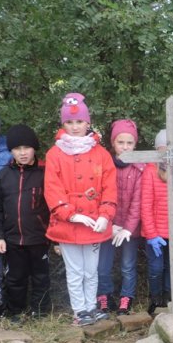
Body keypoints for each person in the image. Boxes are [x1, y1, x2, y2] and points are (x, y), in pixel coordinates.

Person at [44, 93, 117, 326]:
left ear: (88, 122)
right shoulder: (54, 154)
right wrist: (70, 214)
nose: (75, 127)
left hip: (94, 223)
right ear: (63, 124)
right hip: (68, 224)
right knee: (75, 271)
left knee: (91, 271)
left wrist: (106, 215)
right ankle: (79, 310)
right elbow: (52, 189)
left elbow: (109, 187)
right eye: (69, 122)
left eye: (79, 121)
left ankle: (91, 306)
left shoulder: (101, 154)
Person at [0, 124, 51, 321]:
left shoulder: (45, 173)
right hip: (13, 238)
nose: (22, 153)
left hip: (40, 237)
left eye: (27, 148)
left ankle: (40, 311)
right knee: (15, 277)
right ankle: (15, 311)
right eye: (17, 148)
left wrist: (55, 237)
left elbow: (53, 207)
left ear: (34, 148)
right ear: (11, 151)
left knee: (41, 277)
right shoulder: (3, 176)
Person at [141, 129, 173, 315]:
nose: (168, 153)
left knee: (172, 267)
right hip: (155, 233)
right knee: (156, 267)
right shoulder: (149, 172)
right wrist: (152, 235)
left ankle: (170, 298)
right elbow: (146, 205)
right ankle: (156, 298)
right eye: (163, 149)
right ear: (157, 150)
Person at [97, 119, 144, 315]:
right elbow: (99, 197)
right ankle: (104, 295)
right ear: (113, 143)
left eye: (129, 143)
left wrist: (128, 229)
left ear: (135, 144)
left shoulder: (139, 169)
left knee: (127, 265)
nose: (125, 147)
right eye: (120, 142)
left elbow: (137, 203)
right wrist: (109, 225)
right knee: (103, 265)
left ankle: (127, 296)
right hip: (107, 225)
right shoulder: (105, 165)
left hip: (130, 229)